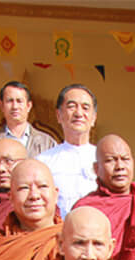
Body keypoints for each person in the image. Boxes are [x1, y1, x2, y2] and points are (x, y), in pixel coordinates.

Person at [72, 134, 135, 253]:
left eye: (125, 159)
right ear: (96, 169)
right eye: (110, 160)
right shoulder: (86, 208)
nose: (120, 166)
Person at [37, 85, 99, 216]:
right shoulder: (44, 161)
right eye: (71, 106)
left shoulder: (104, 159)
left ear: (93, 118)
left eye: (85, 108)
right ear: (59, 115)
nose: (79, 113)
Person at [0, 80, 56, 157]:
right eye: (10, 101)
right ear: (1, 106)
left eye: (19, 101)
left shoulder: (47, 143)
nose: (15, 106)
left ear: (28, 106)